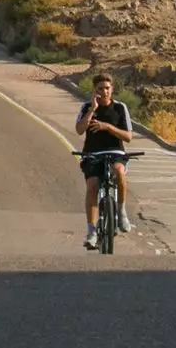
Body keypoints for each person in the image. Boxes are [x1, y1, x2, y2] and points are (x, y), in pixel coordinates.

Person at [75, 72, 134, 248]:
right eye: (100, 89)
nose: (104, 92)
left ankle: (122, 212)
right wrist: (92, 110)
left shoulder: (120, 108)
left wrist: (107, 127)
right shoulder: (86, 107)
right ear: (94, 90)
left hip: (115, 151)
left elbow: (128, 137)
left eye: (107, 88)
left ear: (112, 89)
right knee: (92, 185)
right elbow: (79, 130)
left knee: (119, 172)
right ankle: (91, 231)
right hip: (92, 154)